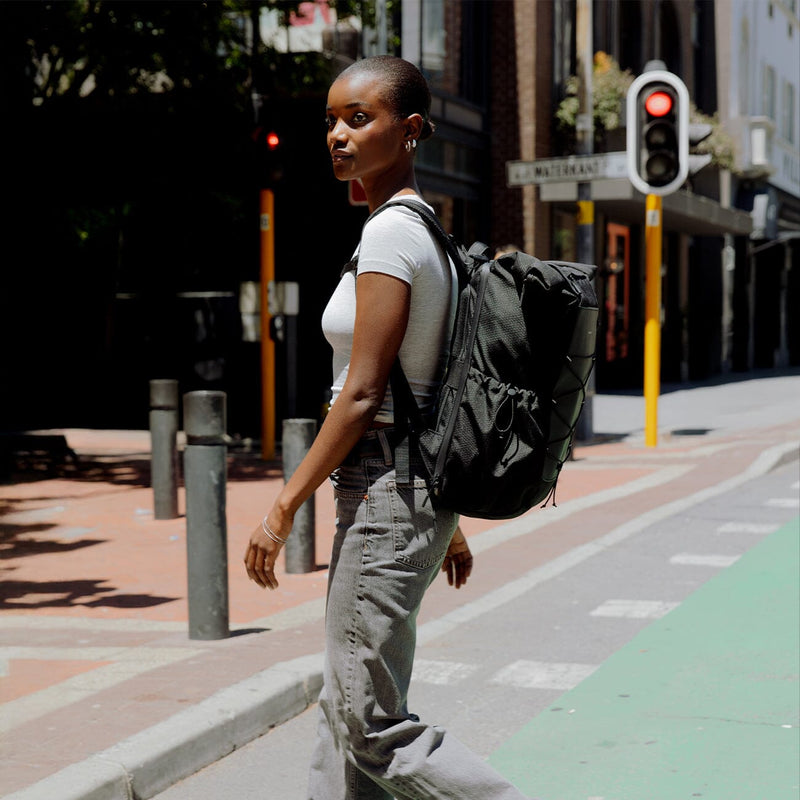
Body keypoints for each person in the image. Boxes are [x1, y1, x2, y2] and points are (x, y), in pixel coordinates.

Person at [244, 55, 529, 800]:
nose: (338, 134)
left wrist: (281, 508)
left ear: (407, 131)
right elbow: (435, 382)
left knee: (366, 721)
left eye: (358, 119)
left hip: (381, 494)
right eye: (331, 121)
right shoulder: (423, 230)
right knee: (345, 708)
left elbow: (366, 391)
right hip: (401, 494)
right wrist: (448, 522)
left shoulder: (392, 238)